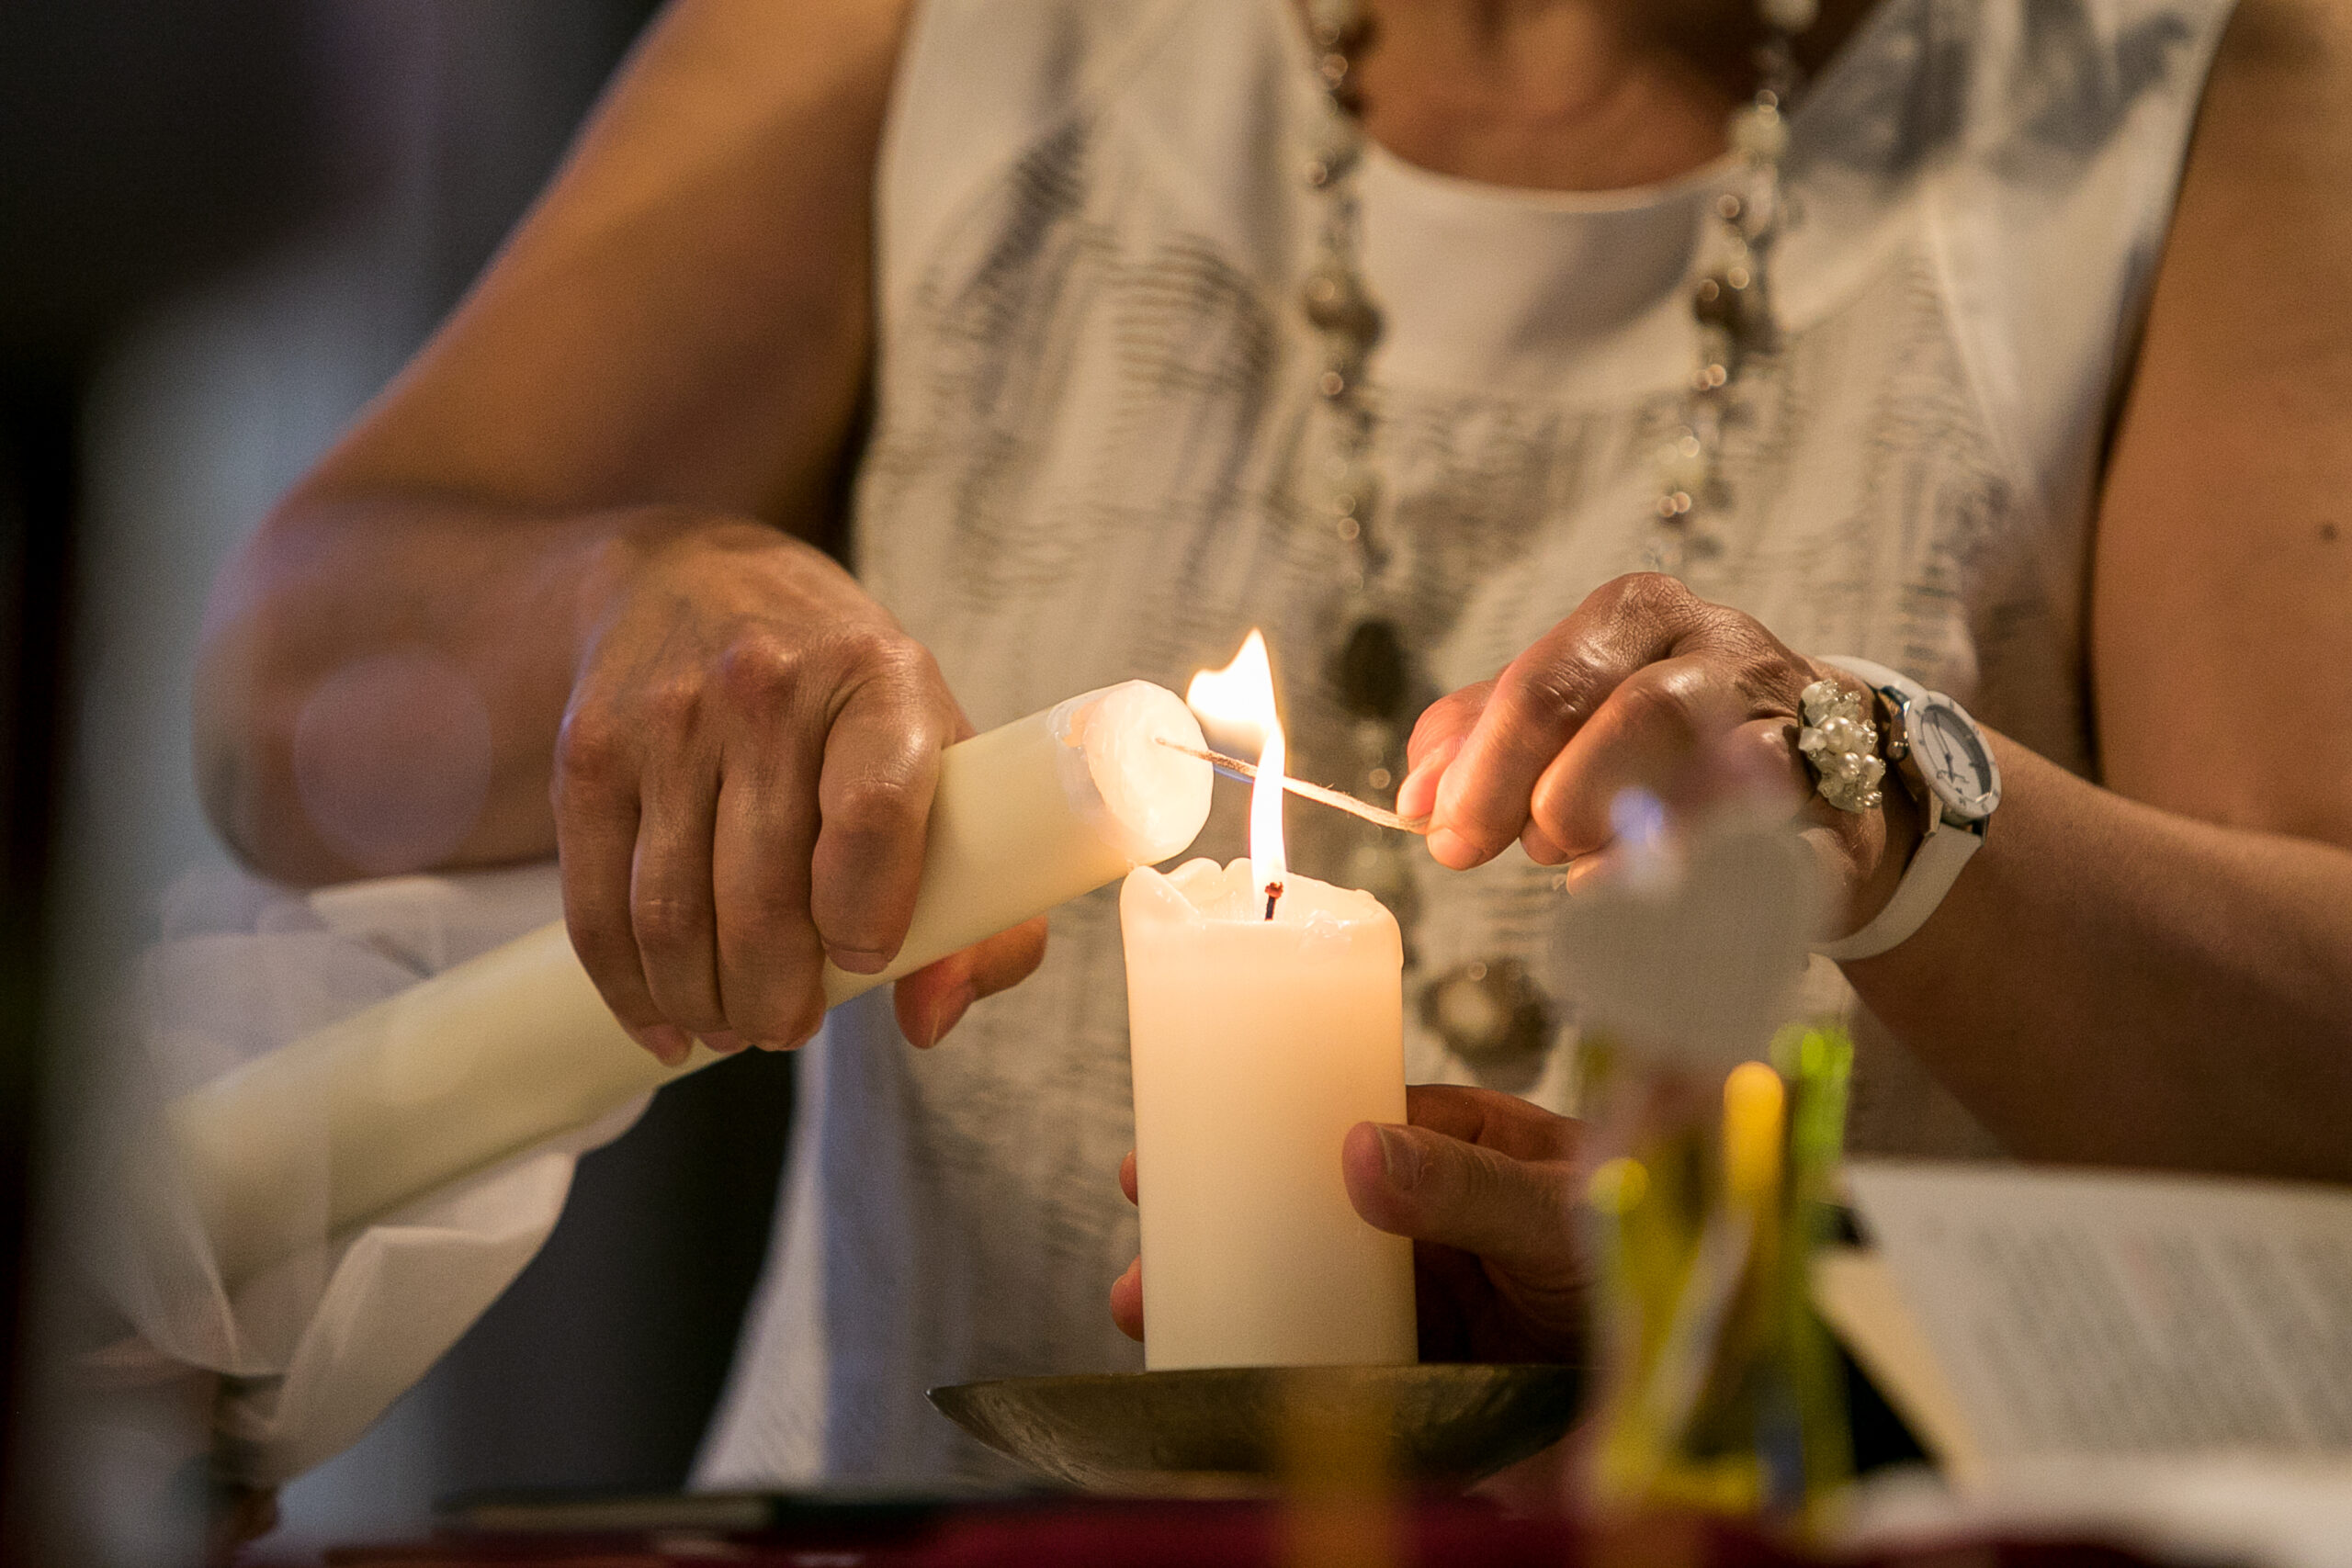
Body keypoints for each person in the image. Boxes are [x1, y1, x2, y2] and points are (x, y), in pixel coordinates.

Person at [191, 0, 2352, 1490]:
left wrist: (1892, 804)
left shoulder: (2172, 79)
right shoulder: (938, 33)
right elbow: (282, 682)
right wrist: (629, 603)